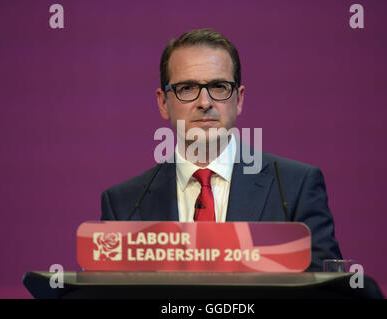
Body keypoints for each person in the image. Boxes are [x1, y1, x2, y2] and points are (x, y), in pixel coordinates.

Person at [101, 29, 342, 271]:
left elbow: (326, 288)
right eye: (187, 88)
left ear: (238, 99)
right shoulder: (124, 204)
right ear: (163, 103)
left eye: (218, 87)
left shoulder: (294, 187)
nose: (205, 103)